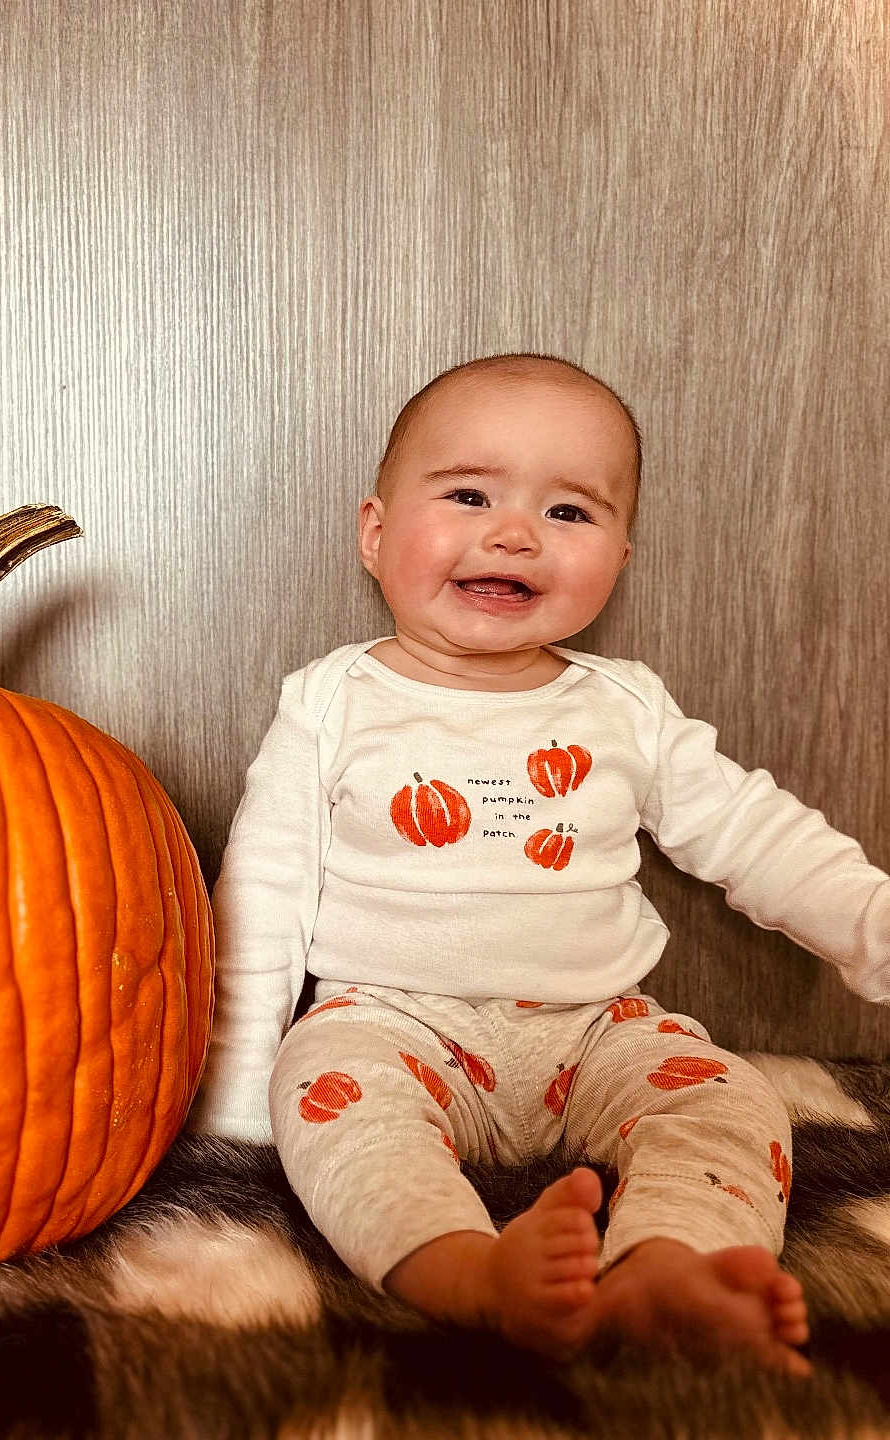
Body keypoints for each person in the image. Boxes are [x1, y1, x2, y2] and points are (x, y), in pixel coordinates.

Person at [188, 353, 890, 1375]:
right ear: (375, 534)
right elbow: (265, 887)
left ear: (620, 554)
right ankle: (470, 1273)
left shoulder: (623, 709)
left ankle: (671, 1269)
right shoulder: (335, 701)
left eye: (570, 512)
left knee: (730, 1100)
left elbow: (753, 832)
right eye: (470, 494)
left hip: (597, 1030)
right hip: (391, 1020)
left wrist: (874, 931)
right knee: (330, 1099)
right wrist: (239, 1092)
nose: (515, 532)